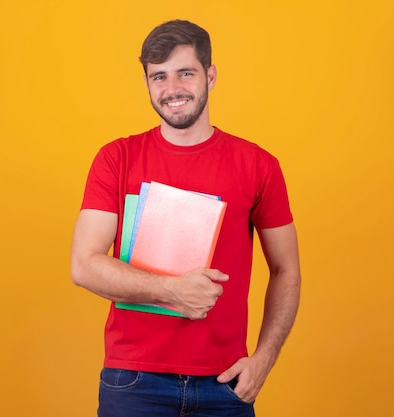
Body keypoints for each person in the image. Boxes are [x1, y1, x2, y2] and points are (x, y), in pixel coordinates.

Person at [70, 19, 301, 417]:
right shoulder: (117, 158)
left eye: (185, 73)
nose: (172, 88)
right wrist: (172, 290)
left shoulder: (258, 165)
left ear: (210, 76)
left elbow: (286, 270)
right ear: (146, 82)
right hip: (134, 381)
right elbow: (84, 265)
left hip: (225, 384)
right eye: (158, 76)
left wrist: (264, 359)